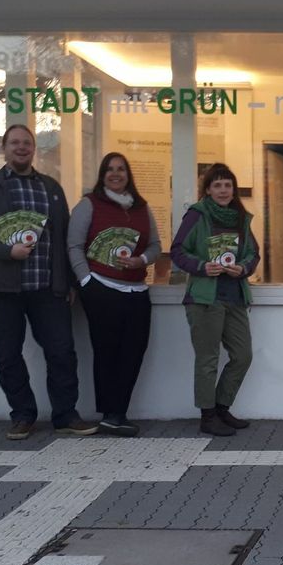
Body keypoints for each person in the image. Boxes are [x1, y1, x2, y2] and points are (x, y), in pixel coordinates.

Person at [0, 124, 97, 440]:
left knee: (62, 352)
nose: (21, 147)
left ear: (34, 149)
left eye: (27, 143)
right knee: (8, 356)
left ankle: (66, 415)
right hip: (1, 289)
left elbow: (64, 238)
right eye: (15, 143)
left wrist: (69, 282)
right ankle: (22, 415)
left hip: (48, 288)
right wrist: (7, 252)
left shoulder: (51, 188)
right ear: (4, 148)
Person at [67, 152, 161, 437]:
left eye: (121, 169)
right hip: (101, 287)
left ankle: (119, 412)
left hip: (136, 289)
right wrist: (86, 281)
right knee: (107, 352)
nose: (115, 174)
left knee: (133, 351)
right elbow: (74, 245)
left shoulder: (142, 208)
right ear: (102, 175)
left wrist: (141, 260)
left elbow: (155, 245)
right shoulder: (89, 204)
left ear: (128, 174)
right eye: (109, 169)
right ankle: (110, 414)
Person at [169, 163, 259, 437]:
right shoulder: (197, 215)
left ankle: (221, 407)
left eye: (227, 185)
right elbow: (177, 251)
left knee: (243, 355)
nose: (223, 190)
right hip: (205, 298)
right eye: (217, 185)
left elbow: (253, 254)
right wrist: (202, 266)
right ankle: (207, 416)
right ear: (207, 189)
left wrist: (242, 268)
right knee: (208, 359)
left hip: (235, 296)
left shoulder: (241, 217)